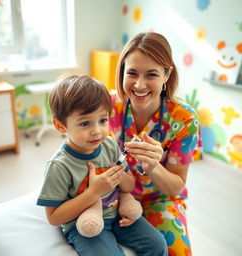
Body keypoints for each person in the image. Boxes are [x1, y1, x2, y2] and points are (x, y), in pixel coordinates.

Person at [36, 75, 167, 256]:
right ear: (60, 125)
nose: (97, 130)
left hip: (117, 214)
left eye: (103, 120)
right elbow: (54, 217)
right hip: (84, 225)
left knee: (158, 244)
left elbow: (128, 186)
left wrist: (120, 176)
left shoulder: (110, 145)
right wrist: (94, 192)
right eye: (85, 123)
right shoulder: (59, 166)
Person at [109, 32, 203, 256]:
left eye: (151, 74)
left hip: (158, 199)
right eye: (132, 73)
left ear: (166, 74)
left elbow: (175, 186)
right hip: (113, 194)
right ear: (122, 71)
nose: (139, 85)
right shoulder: (108, 106)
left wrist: (154, 166)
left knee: (177, 251)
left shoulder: (184, 120)